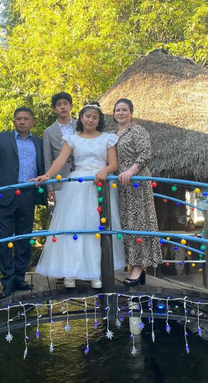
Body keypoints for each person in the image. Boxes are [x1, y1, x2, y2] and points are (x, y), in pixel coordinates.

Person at [32, 102, 125, 289]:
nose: (90, 120)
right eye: (87, 116)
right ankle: (70, 272)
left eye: (94, 117)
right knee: (73, 227)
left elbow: (114, 164)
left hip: (99, 185)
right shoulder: (72, 138)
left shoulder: (108, 138)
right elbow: (60, 160)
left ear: (98, 120)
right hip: (77, 185)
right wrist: (47, 175)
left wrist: (105, 170)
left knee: (96, 228)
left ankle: (96, 273)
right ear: (81, 118)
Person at [0, 107, 45, 299]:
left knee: (24, 238)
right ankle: (7, 281)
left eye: (26, 119)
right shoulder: (1, 139)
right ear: (13, 121)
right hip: (4, 195)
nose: (22, 122)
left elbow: (44, 168)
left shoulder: (39, 142)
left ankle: (20, 277)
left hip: (28, 195)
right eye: (18, 119)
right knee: (3, 239)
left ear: (32, 122)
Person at [113, 98, 162, 288]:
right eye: (118, 110)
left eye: (124, 109)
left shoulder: (138, 131)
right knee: (126, 223)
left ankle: (139, 267)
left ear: (131, 112)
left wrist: (130, 172)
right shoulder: (114, 134)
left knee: (139, 223)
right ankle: (135, 266)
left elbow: (145, 155)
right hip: (121, 186)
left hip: (136, 183)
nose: (121, 113)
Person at [43, 92, 77, 203]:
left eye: (65, 103)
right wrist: (50, 187)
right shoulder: (48, 132)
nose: (62, 107)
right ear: (54, 109)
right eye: (59, 104)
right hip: (59, 180)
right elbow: (47, 160)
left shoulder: (81, 126)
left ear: (71, 106)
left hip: (81, 177)